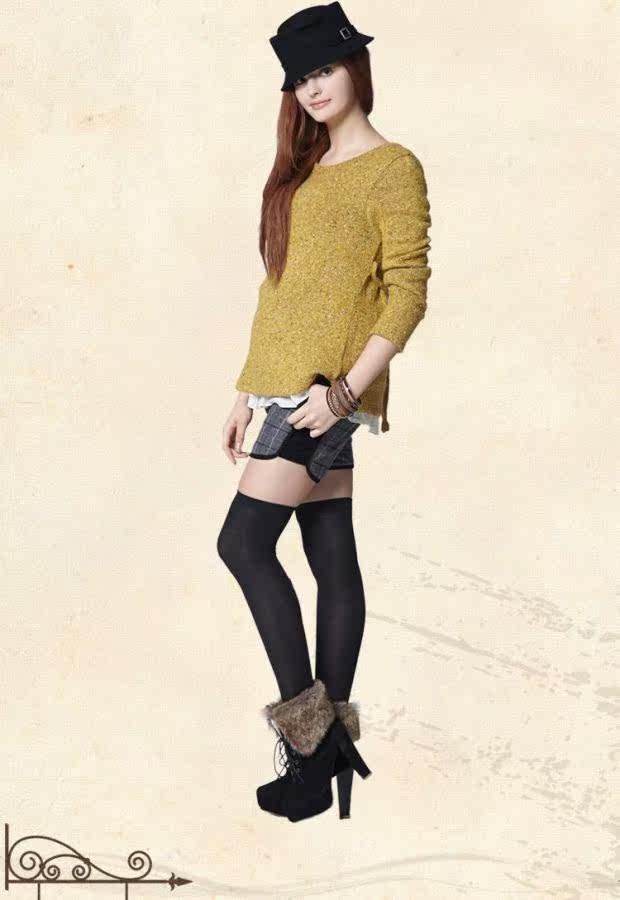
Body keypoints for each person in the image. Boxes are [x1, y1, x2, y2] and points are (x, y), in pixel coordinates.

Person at [216, 1, 432, 823]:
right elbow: (280, 294)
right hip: (282, 386)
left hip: (325, 393)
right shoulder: (302, 172)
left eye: (325, 69)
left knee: (243, 543)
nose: (313, 88)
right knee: (330, 553)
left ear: (355, 68)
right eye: (299, 78)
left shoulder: (393, 167)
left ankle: (311, 746)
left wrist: (343, 395)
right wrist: (244, 392)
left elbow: (406, 293)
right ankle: (325, 760)